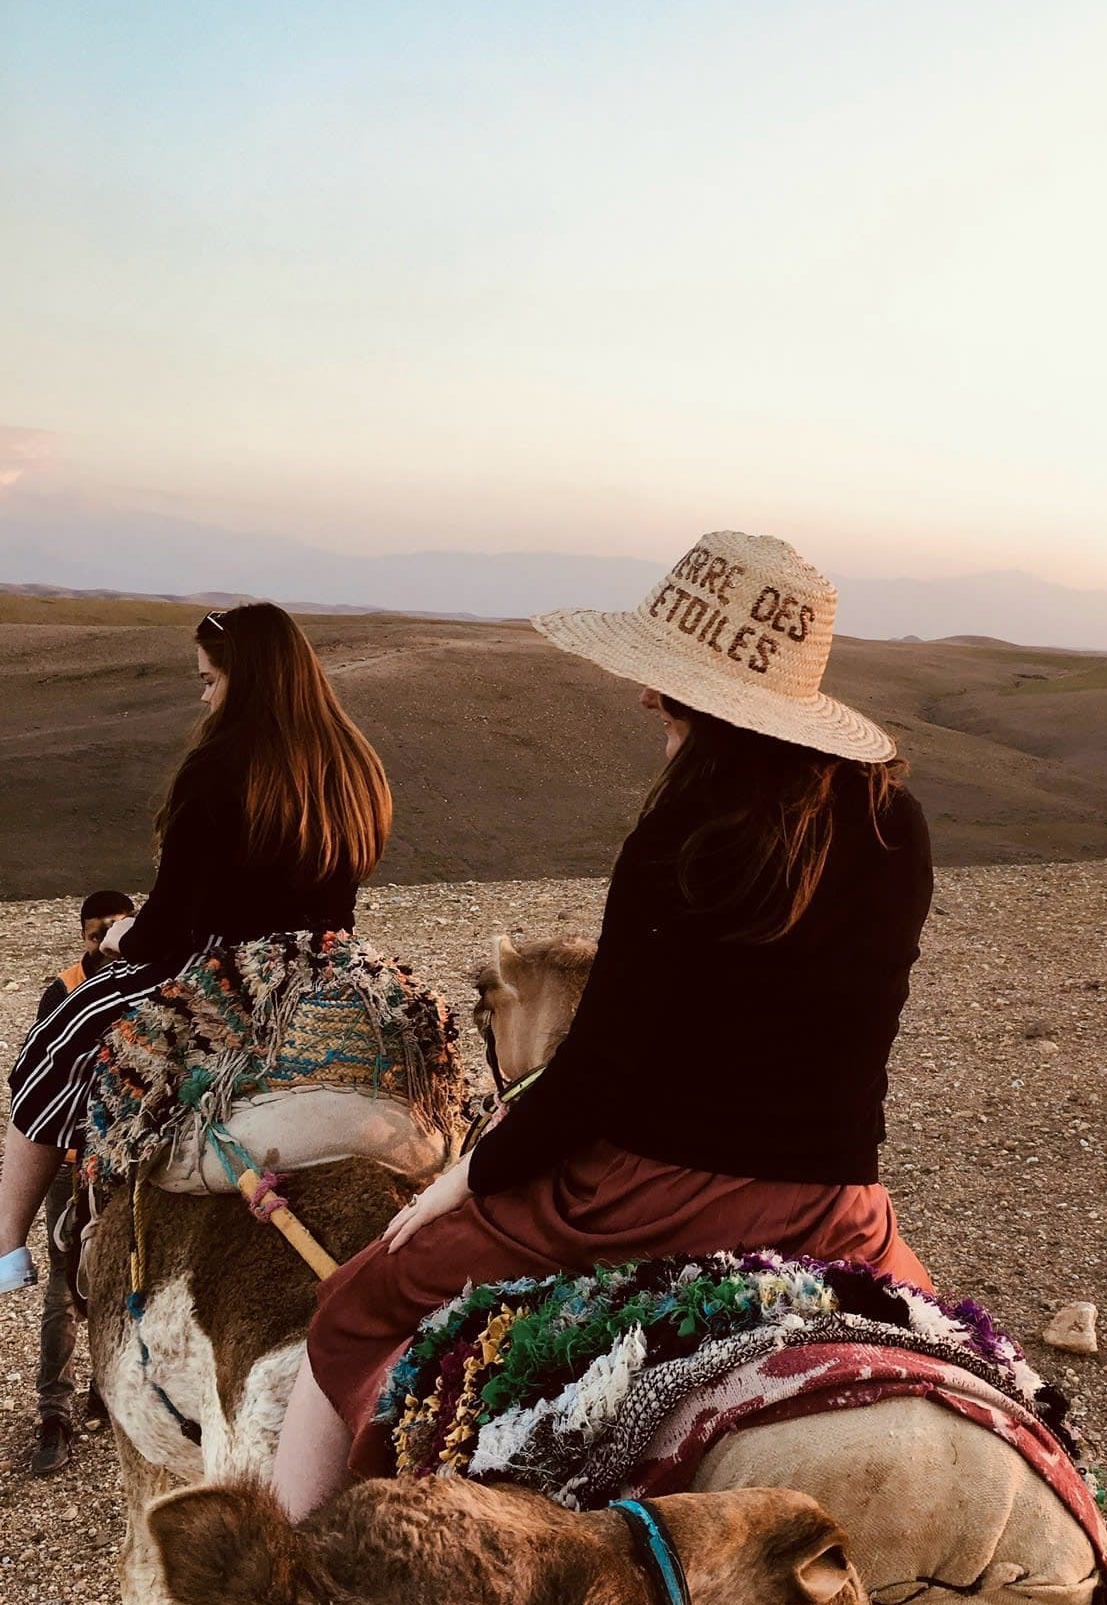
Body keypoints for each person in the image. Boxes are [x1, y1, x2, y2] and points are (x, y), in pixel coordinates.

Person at [273, 531, 934, 1518]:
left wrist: (464, 1178)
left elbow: (595, 1080)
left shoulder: (685, 835)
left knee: (356, 1307)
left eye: (665, 683)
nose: (645, 699)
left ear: (708, 702)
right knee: (956, 1345)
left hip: (655, 1199)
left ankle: (287, 1585)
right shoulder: (898, 825)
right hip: (838, 1203)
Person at [0, 604, 393, 1297]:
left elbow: (174, 922)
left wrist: (123, 936)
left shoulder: (218, 766)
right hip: (327, 964)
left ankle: (5, 1243)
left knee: (60, 1031)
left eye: (209, 681)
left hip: (228, 969)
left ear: (244, 681)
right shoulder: (354, 761)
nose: (203, 695)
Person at [29, 891, 136, 1475]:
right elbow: (41, 1078)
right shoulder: (65, 992)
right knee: (65, 1287)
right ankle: (54, 1411)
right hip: (73, 1162)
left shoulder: (153, 986)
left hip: (127, 1160)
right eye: (96, 934)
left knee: (119, 1277)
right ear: (83, 937)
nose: (106, 943)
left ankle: (110, 1389)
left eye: (117, 930)